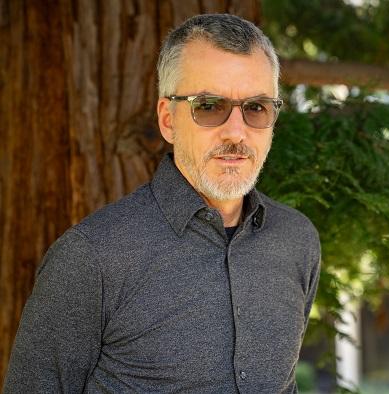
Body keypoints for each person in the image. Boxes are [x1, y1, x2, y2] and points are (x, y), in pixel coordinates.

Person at [3, 14, 321, 393]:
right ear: (168, 120)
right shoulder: (90, 259)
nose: (237, 132)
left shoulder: (297, 241)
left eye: (256, 107)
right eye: (209, 105)